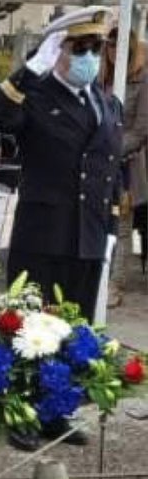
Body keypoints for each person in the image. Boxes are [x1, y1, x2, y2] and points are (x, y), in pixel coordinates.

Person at [0, 8, 122, 319]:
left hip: (89, 239)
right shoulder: (35, 94)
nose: (90, 57)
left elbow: (112, 170)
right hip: (44, 241)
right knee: (34, 340)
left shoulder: (107, 103)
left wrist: (111, 228)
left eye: (96, 48)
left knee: (78, 339)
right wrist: (32, 69)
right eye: (80, 49)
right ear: (57, 50)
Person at [100, 26, 148, 302]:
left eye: (121, 47)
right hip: (97, 163)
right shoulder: (100, 78)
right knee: (98, 221)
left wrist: (111, 150)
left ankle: (115, 285)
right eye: (110, 46)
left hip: (126, 164)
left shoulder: (142, 80)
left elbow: (142, 129)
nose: (114, 51)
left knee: (121, 226)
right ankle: (98, 276)